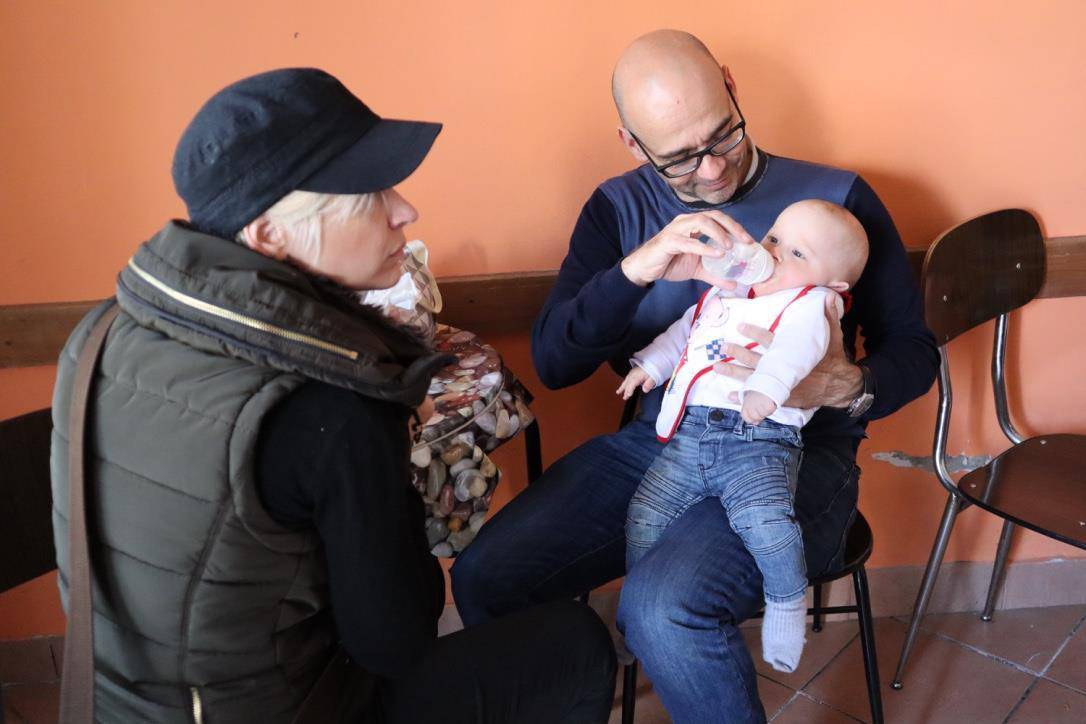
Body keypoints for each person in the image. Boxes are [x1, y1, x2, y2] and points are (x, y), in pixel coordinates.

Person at [51, 68, 616, 724]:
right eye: (369, 193)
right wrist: (397, 473)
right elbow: (396, 642)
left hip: (108, 704)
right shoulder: (333, 406)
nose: (405, 210)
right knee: (575, 645)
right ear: (269, 235)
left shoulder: (100, 333)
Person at [451, 30, 938, 723]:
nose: (711, 171)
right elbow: (556, 364)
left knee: (663, 608)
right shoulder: (617, 210)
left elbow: (915, 351)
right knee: (487, 575)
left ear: (732, 90)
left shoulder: (837, 201)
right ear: (632, 144)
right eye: (679, 159)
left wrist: (843, 385)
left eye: (723, 137)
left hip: (796, 457)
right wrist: (634, 272)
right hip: (661, 441)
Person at [617, 200, 869, 674]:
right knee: (645, 513)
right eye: (774, 239)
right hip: (691, 437)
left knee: (766, 522)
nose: (775, 253)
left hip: (757, 441)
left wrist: (766, 390)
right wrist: (650, 365)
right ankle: (635, 615)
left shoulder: (811, 304)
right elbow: (686, 331)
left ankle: (786, 603)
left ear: (834, 285)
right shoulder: (729, 291)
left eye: (798, 254)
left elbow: (797, 350)